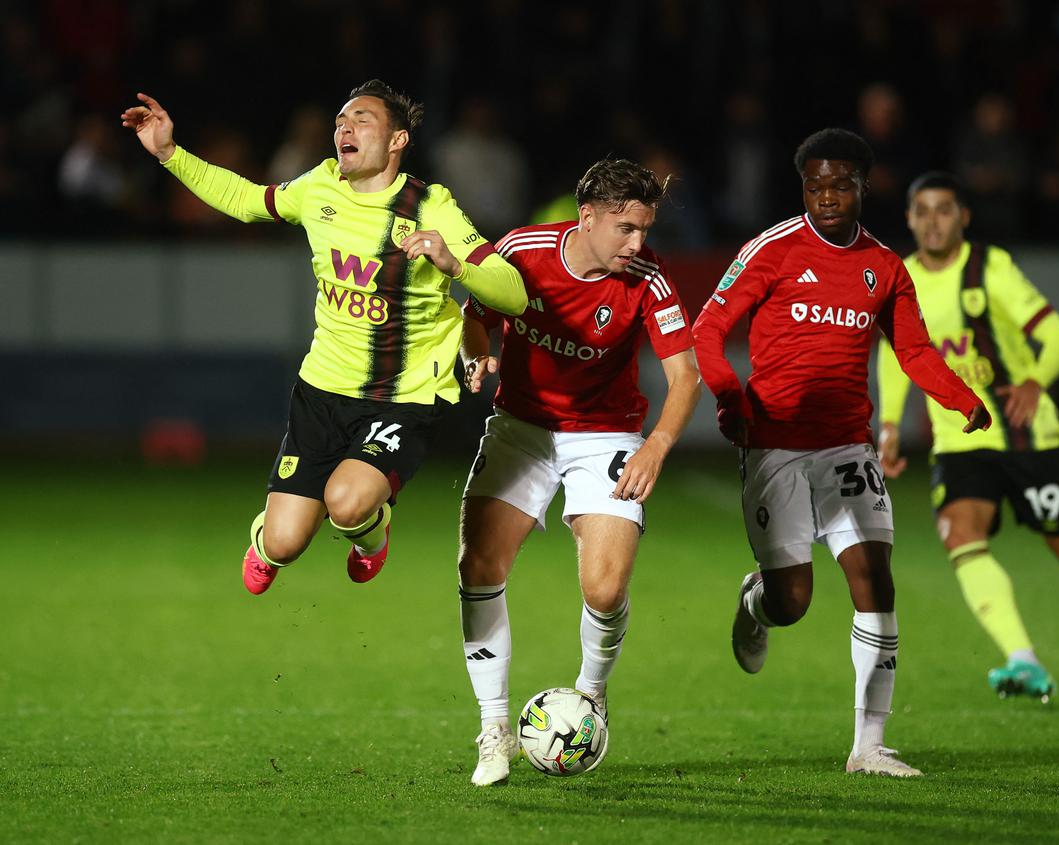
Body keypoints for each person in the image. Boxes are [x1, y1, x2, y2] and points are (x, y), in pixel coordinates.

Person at [120, 81, 527, 594]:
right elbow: (248, 200)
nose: (344, 129)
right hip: (322, 391)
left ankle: (371, 538)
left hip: (403, 397)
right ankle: (273, 541)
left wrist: (454, 263)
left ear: (397, 140)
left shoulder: (431, 207)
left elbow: (513, 293)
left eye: (361, 120)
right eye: (340, 121)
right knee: (283, 543)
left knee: (347, 502)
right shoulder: (320, 186)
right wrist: (169, 154)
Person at [693, 129, 990, 778]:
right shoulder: (770, 249)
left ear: (862, 187)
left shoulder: (883, 266)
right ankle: (756, 602)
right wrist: (727, 396)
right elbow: (709, 328)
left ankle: (868, 745)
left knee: (873, 577)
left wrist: (960, 397)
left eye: (840, 184)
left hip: (845, 449)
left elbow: (912, 351)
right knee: (792, 600)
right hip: (775, 447)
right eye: (815, 185)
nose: (827, 195)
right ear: (804, 188)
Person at [876, 171, 1059, 704]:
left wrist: (1035, 380)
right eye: (924, 211)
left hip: (1026, 435)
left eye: (945, 210)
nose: (934, 221)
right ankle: (1023, 659)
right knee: (962, 534)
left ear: (964, 216)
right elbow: (897, 352)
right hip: (961, 438)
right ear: (909, 219)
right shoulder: (900, 278)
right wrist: (890, 424)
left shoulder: (991, 268)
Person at [456, 159, 701, 786]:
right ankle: (494, 729)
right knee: (479, 566)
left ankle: (590, 697)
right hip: (521, 428)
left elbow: (685, 375)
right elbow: (476, 312)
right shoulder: (520, 251)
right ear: (585, 217)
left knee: (605, 589)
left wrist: (658, 445)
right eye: (625, 229)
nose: (638, 244)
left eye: (644, 229)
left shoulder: (648, 276)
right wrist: (477, 353)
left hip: (607, 434)